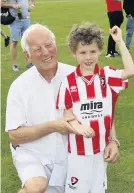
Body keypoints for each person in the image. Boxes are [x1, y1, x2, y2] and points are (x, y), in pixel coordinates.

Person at [5, 23, 120, 193]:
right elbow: (14, 136)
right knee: (36, 187)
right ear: (27, 56)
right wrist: (53, 126)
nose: (45, 52)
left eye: (49, 45)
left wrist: (112, 141)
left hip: (72, 155)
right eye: (37, 49)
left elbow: (102, 111)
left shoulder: (79, 75)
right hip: (33, 153)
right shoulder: (19, 86)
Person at [56, 22, 134, 193]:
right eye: (82, 52)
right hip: (79, 152)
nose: (88, 57)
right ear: (74, 53)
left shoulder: (107, 76)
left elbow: (130, 71)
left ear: (100, 50)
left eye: (93, 51)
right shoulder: (68, 82)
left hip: (101, 150)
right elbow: (67, 116)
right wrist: (79, 127)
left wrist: (120, 42)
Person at [1, 0, 35, 71]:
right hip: (15, 21)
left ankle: (29, 63)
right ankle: (14, 65)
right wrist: (12, 5)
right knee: (14, 42)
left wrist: (32, 5)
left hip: (26, 20)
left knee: (27, 41)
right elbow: (1, 3)